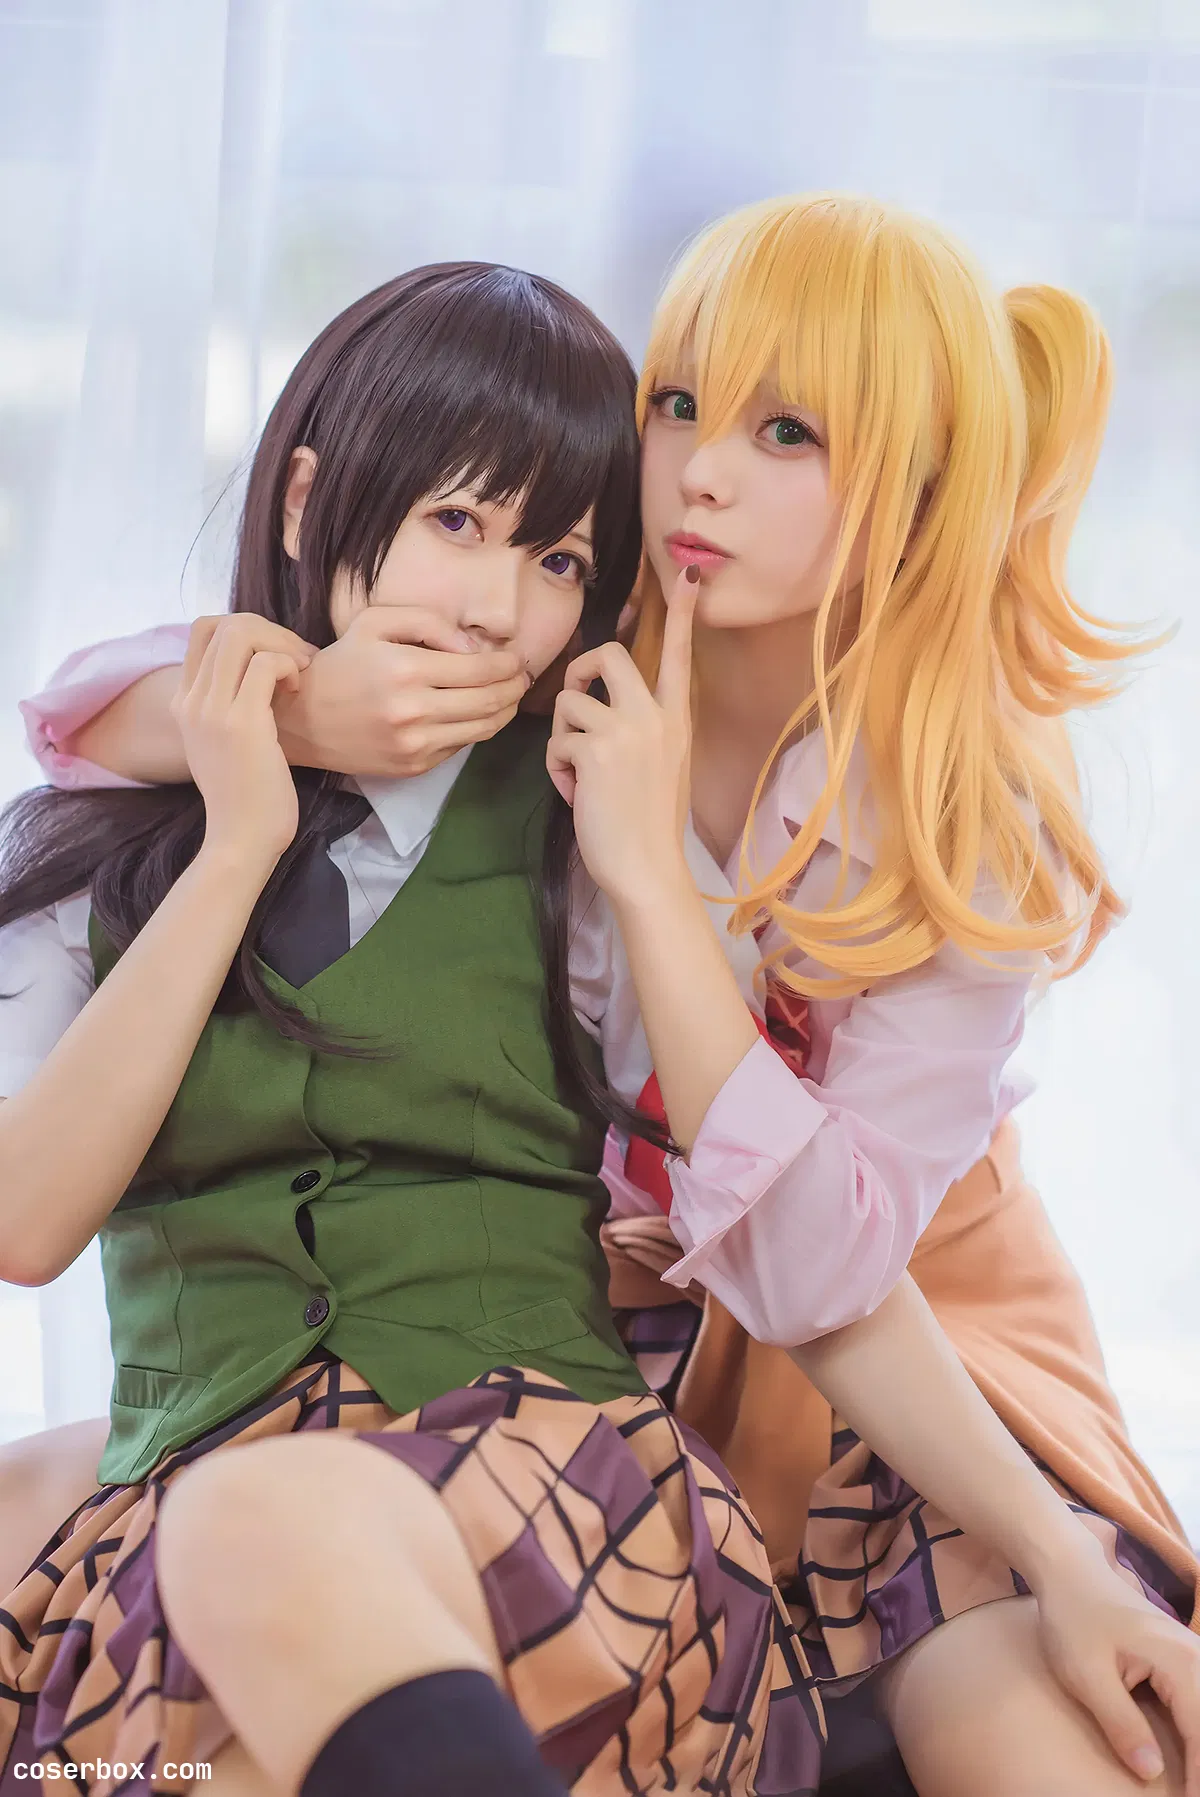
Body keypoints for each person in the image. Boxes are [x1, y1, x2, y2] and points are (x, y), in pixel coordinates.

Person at [5, 208, 1200, 1797]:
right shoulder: (563, 668)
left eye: (789, 433)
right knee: (176, 1552)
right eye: (682, 405)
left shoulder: (934, 823)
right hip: (645, 1328)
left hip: (924, 1340)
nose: (700, 474)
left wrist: (645, 877)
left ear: (917, 500)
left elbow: (826, 1273)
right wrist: (297, 717)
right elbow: (84, 716)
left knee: (1032, 1723)